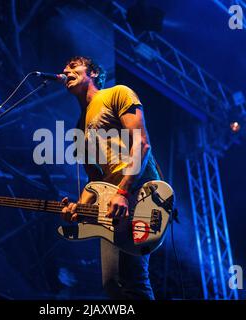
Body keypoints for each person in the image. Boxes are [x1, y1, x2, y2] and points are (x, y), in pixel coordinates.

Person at [60, 56, 162, 300]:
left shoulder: (117, 93)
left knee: (133, 280)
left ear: (93, 72)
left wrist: (124, 191)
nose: (65, 70)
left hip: (139, 192)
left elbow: (142, 144)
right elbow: (94, 182)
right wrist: (78, 208)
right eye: (65, 68)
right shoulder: (77, 128)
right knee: (112, 283)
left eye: (73, 66)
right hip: (111, 204)